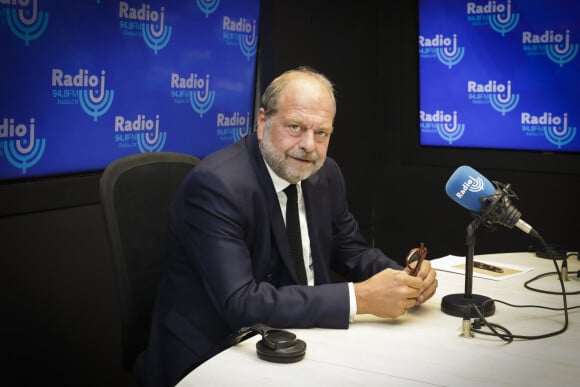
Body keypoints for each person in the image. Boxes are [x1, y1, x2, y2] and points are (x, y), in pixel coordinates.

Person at [143, 66, 438, 386]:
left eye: (321, 133)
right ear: (262, 122)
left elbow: (351, 249)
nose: (309, 145)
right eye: (295, 127)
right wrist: (360, 299)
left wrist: (401, 278)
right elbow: (242, 303)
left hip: (304, 340)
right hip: (218, 352)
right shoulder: (217, 185)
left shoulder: (326, 174)